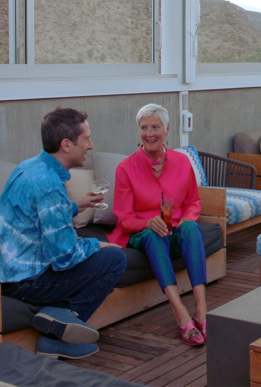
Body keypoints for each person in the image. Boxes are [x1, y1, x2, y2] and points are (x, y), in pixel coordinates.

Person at [0, 107, 127, 360]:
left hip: (3, 272)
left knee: (96, 249)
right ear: (66, 145)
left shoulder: (28, 167)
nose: (91, 145)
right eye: (86, 138)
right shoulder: (49, 185)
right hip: (24, 282)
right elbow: (64, 258)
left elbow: (36, 216)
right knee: (115, 259)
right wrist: (97, 245)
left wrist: (75, 206)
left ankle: (57, 316)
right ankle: (57, 336)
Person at [109, 104, 208, 346]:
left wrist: (185, 220)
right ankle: (180, 312)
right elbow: (123, 218)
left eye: (155, 127)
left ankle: (201, 309)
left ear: (167, 129)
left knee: (192, 229)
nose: (149, 133)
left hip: (174, 231)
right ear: (138, 131)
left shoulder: (182, 162)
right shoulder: (126, 168)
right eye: (144, 128)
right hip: (141, 234)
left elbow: (193, 201)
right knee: (152, 235)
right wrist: (147, 222)